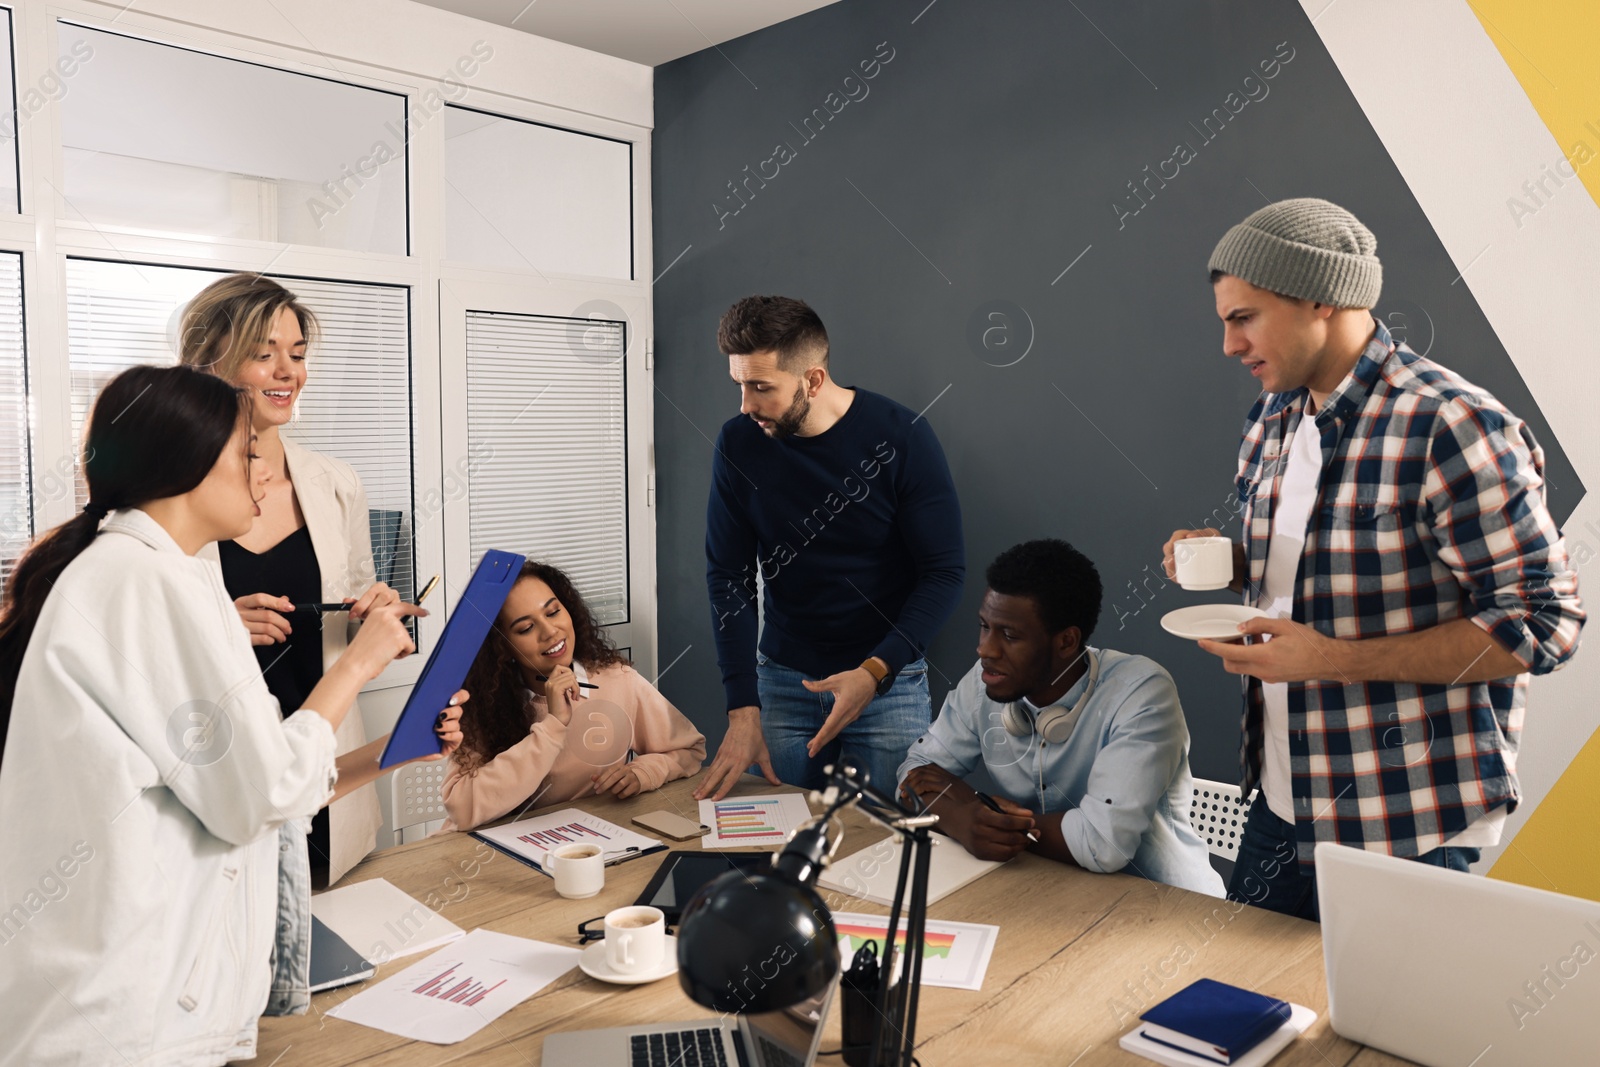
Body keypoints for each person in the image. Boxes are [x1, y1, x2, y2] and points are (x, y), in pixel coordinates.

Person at [0, 365, 460, 1064]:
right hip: (121, 1023)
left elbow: (246, 778)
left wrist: (393, 746)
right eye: (248, 454)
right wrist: (357, 664)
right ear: (186, 461)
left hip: (144, 1008)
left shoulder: (175, 574)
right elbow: (260, 792)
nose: (268, 476)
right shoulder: (141, 581)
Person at [1162, 198, 1584, 919]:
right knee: (1239, 1017)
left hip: (1404, 820)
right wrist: (1230, 561)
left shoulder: (1451, 424)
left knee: (1385, 1032)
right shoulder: (1274, 416)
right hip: (1278, 803)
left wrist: (1330, 658)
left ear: (1319, 298)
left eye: (1244, 317)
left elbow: (1542, 624)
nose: (1231, 345)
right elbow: (1332, 563)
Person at [179, 273, 427, 887]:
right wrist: (218, 625)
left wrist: (378, 612)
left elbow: (358, 600)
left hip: (325, 766)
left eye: (297, 354)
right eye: (264, 354)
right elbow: (141, 642)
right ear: (208, 363)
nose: (288, 371)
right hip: (223, 770)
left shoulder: (336, 482)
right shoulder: (168, 493)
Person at [699, 295, 965, 801]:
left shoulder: (902, 438)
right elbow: (728, 578)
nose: (745, 405)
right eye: (739, 384)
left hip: (887, 684)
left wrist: (874, 673)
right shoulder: (738, 443)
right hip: (782, 683)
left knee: (887, 850)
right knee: (773, 857)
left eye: (761, 387)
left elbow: (944, 572)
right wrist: (742, 707)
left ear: (813, 380)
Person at [896, 540, 1222, 895]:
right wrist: (959, 820)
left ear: (1066, 641)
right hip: (1046, 890)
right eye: (984, 627)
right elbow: (915, 770)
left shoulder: (1141, 692)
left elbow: (1103, 845)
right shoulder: (985, 677)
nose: (985, 649)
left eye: (1009, 635)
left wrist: (981, 818)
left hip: (1163, 905)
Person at [440, 561, 706, 831]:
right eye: (526, 628)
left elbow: (689, 749)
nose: (550, 631)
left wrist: (643, 773)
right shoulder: (483, 702)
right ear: (501, 647)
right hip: (489, 853)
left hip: (581, 842)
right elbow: (462, 810)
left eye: (553, 612)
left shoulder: (617, 680)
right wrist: (554, 725)